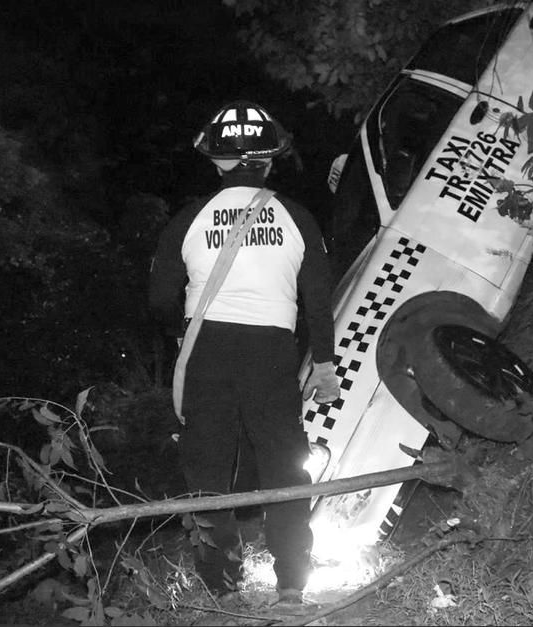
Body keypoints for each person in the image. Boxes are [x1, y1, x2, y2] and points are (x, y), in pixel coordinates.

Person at [148, 100, 339, 606]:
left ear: (216, 162)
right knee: (284, 465)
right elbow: (319, 298)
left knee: (208, 470)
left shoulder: (188, 219)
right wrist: (324, 363)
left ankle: (223, 589)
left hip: (205, 348)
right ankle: (292, 587)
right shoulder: (297, 217)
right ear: (270, 161)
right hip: (272, 352)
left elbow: (160, 298)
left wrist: (181, 337)